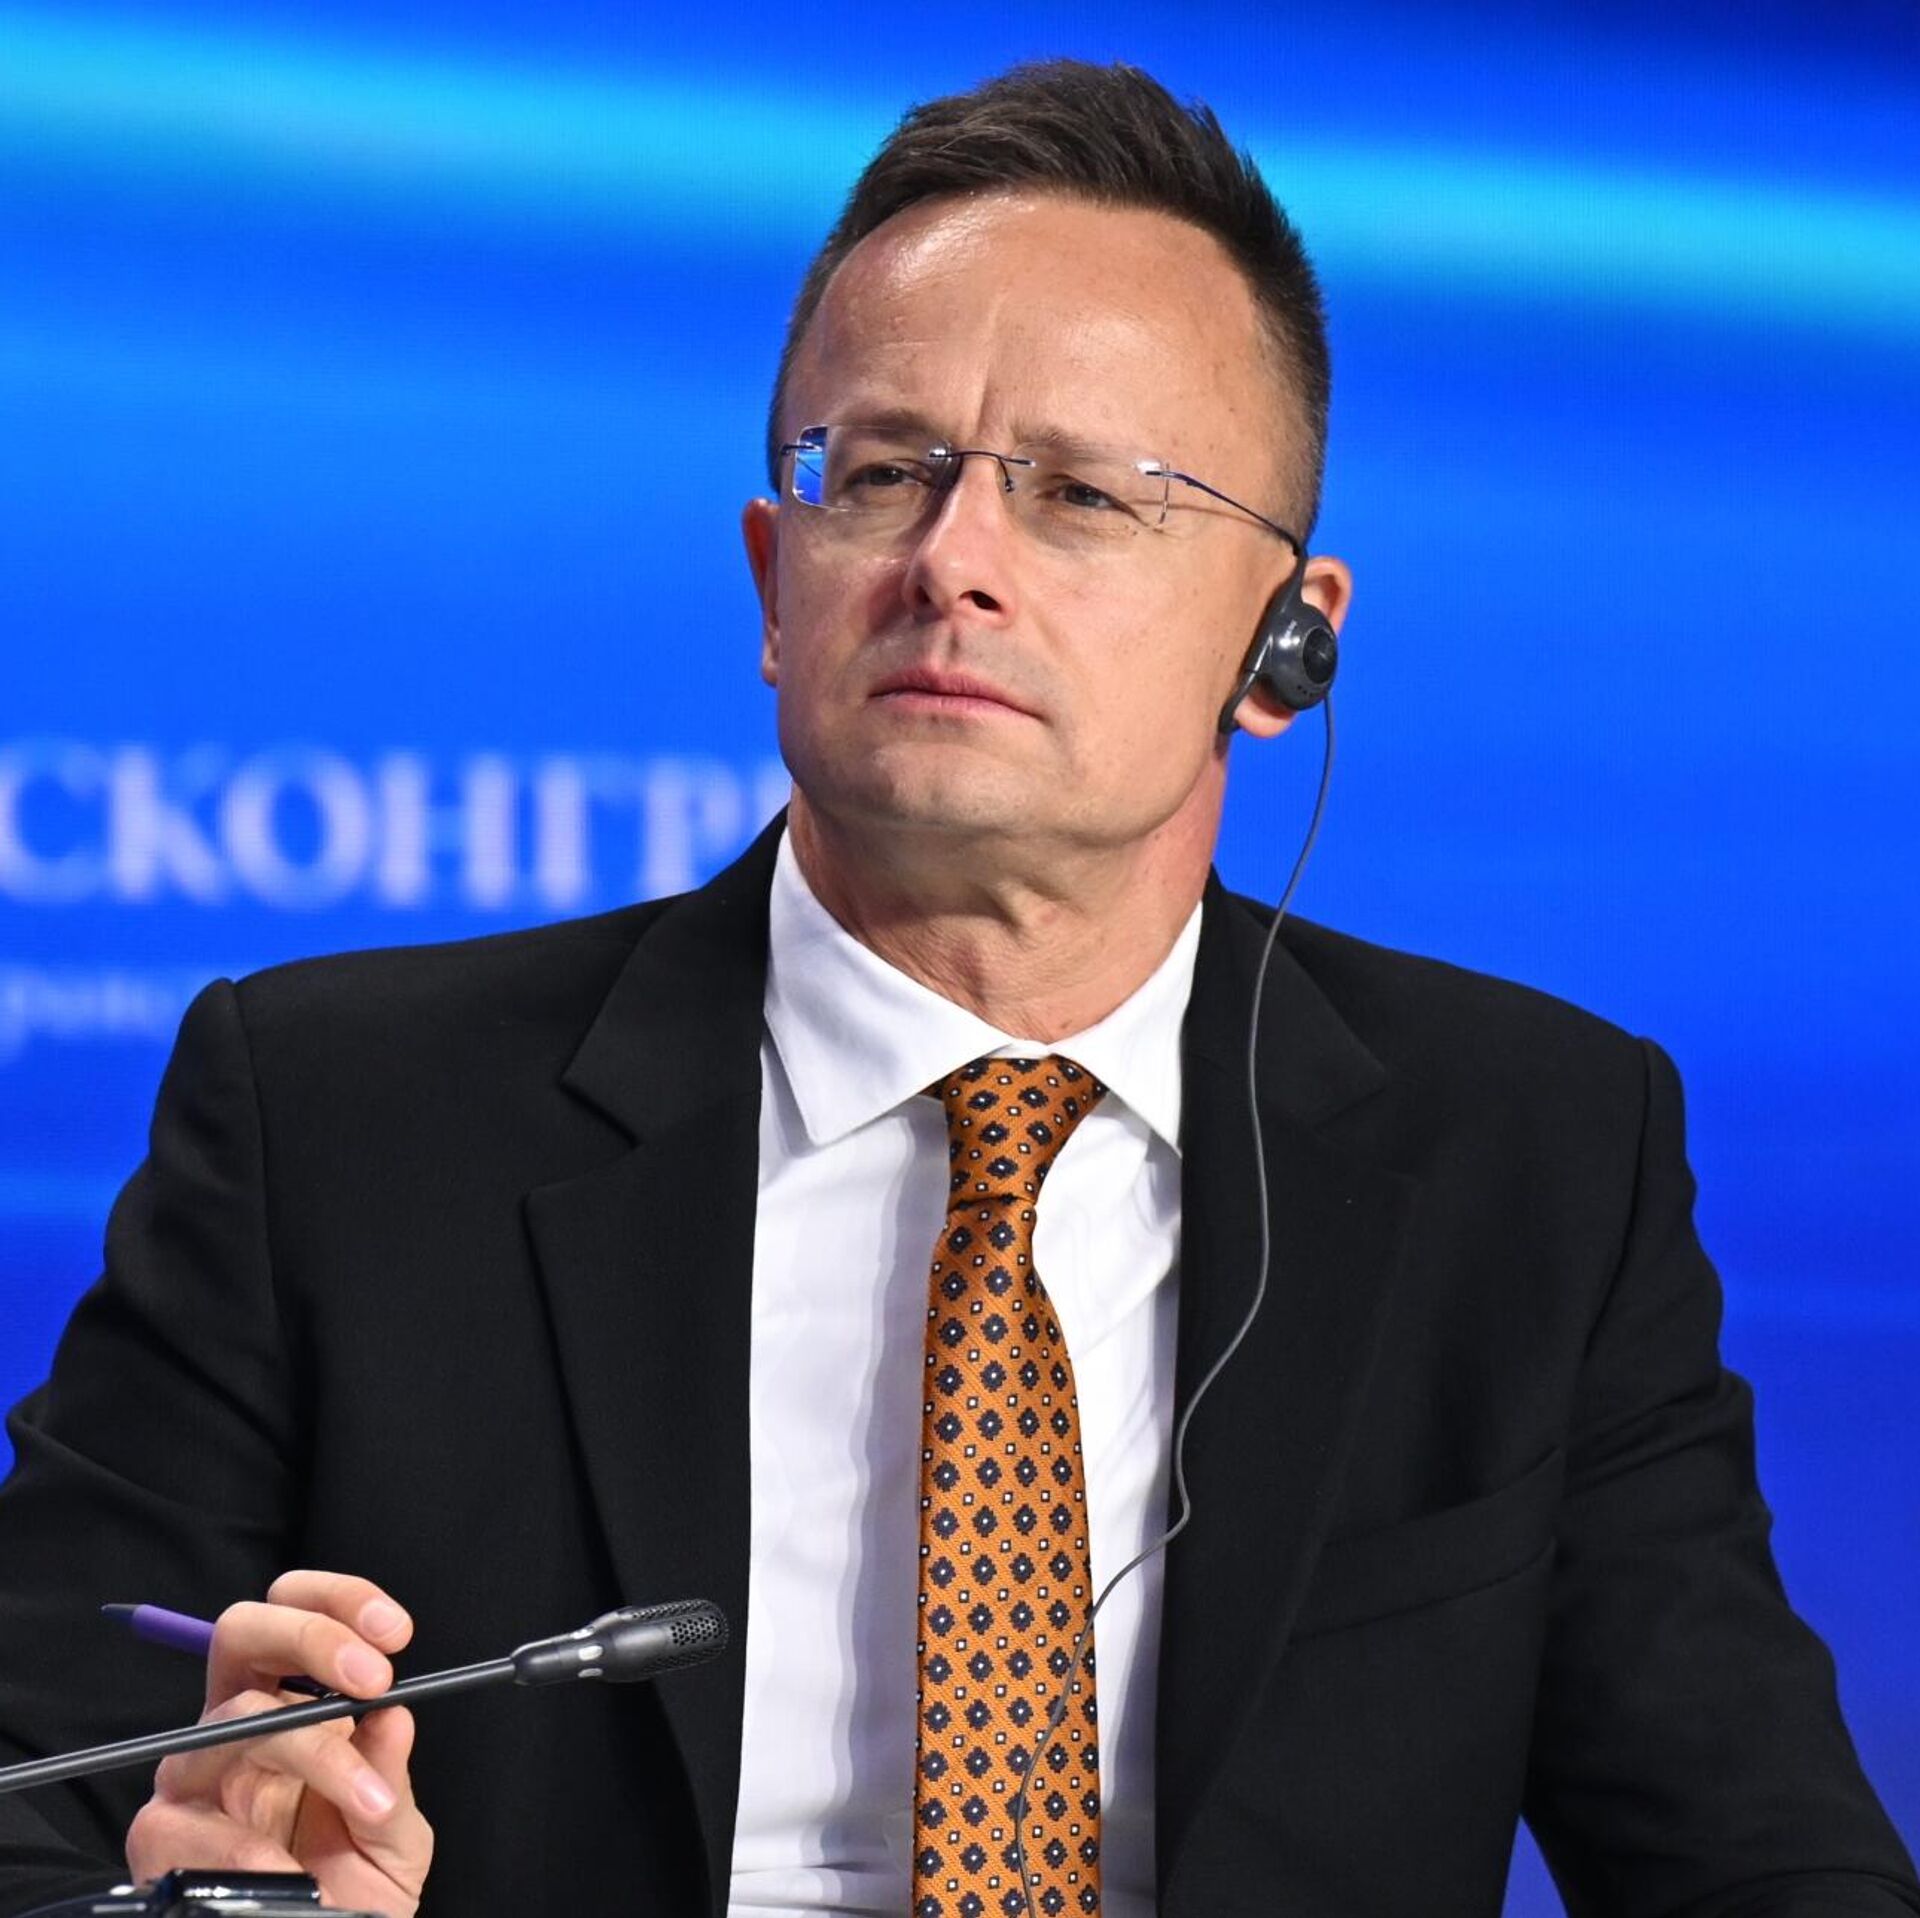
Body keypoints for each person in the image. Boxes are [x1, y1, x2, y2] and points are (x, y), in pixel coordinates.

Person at [0, 58, 1914, 1918]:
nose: (952, 561)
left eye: (1083, 494)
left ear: (1287, 641)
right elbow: (32, 1802)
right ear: (774, 585)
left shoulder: (1537, 1159)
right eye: (885, 472)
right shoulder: (334, 1121)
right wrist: (204, 1906)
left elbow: (1764, 1856)